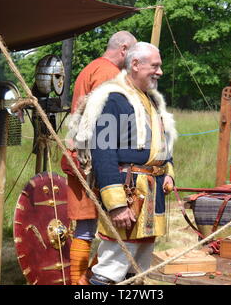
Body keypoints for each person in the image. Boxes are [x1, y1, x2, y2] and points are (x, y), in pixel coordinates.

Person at [67, 42, 177, 285]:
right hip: (129, 195)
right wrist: (116, 204)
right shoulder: (113, 99)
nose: (160, 72)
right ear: (135, 65)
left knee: (137, 268)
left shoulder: (152, 100)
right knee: (111, 269)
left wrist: (167, 170)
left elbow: (161, 141)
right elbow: (102, 152)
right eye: (155, 66)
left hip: (152, 194)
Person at [62, 31, 137, 285]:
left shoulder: (90, 68)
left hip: (83, 157)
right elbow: (105, 127)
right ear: (124, 49)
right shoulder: (107, 74)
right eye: (133, 54)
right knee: (107, 226)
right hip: (94, 162)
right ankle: (85, 282)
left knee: (88, 227)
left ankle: (86, 280)